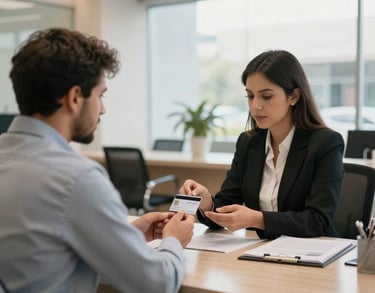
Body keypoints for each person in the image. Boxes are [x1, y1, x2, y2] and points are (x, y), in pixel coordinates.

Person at [0, 28, 195, 293]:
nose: (103, 108)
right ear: (75, 97)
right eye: (100, 95)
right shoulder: (76, 179)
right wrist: (174, 240)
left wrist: (127, 237)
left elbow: (43, 249)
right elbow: (156, 284)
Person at [179, 50, 344, 239]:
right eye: (250, 96)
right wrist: (206, 203)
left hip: (314, 254)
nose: (256, 106)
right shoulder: (248, 143)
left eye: (266, 96)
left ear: (294, 96)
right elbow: (225, 206)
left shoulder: (325, 143)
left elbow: (317, 221)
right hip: (262, 252)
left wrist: (258, 219)